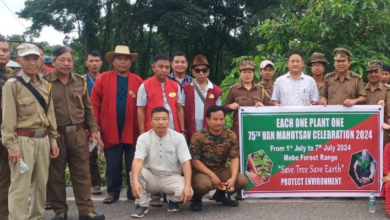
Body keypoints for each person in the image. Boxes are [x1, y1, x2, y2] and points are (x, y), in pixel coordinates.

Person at [43, 47, 105, 220]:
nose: (66, 63)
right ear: (53, 62)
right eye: (62, 60)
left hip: (78, 134)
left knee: (82, 174)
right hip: (55, 136)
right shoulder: (43, 82)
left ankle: (86, 211)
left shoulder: (80, 81)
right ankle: (60, 211)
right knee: (55, 175)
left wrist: (93, 129)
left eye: (69, 60)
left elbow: (88, 108)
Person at [2, 43, 59, 220]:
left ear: (41, 60)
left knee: (41, 185)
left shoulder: (45, 85)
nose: (32, 62)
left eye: (35, 58)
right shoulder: (12, 85)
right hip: (23, 140)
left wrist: (53, 140)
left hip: (43, 138)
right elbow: (8, 119)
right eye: (27, 58)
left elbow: (50, 114)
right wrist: (12, 146)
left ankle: (36, 217)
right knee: (20, 185)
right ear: (19, 61)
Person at [90, 45, 143, 203]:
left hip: (132, 127)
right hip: (110, 126)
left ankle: (133, 190)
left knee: (132, 160)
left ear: (130, 62)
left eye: (126, 59)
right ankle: (113, 192)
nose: (122, 62)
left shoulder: (137, 80)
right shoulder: (104, 78)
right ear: (113, 61)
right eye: (119, 58)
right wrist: (95, 124)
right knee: (113, 161)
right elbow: (94, 103)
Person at [137, 54, 186, 206]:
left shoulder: (175, 85)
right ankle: (155, 195)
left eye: (166, 67)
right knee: (152, 160)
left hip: (172, 130)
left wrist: (182, 130)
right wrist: (142, 132)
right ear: (154, 67)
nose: (164, 70)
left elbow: (179, 109)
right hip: (152, 130)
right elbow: (140, 110)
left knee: (173, 161)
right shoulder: (145, 85)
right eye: (161, 67)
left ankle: (171, 195)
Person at [130, 107, 192, 218]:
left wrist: (187, 186)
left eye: (164, 119)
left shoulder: (178, 138)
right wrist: (134, 182)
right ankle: (141, 205)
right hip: (151, 176)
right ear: (151, 121)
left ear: (169, 120)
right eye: (157, 119)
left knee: (188, 192)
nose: (161, 122)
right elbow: (138, 160)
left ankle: (172, 199)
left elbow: (186, 163)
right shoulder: (143, 138)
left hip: (171, 176)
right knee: (135, 174)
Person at [189, 105, 248, 211]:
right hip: (201, 171)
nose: (219, 122)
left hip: (220, 169)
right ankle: (196, 199)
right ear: (208, 120)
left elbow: (234, 158)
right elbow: (194, 161)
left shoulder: (230, 135)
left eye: (221, 119)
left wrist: (233, 178)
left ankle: (221, 195)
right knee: (203, 185)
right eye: (215, 119)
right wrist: (212, 175)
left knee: (242, 181)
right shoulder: (198, 136)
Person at [225, 60, 271, 138]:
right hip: (238, 129)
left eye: (250, 72)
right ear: (239, 73)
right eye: (244, 72)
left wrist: (262, 106)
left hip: (256, 128)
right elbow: (224, 109)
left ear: (253, 73)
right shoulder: (233, 89)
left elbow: (268, 110)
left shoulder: (260, 89)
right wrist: (230, 106)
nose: (247, 75)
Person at [182, 55, 222, 140]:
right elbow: (181, 109)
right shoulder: (186, 88)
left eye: (204, 70)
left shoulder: (216, 90)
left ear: (208, 72)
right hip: (190, 130)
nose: (201, 73)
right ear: (193, 72)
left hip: (210, 131)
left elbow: (219, 112)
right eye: (198, 70)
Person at [83, 50, 104, 196]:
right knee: (90, 153)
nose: (94, 64)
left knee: (111, 152)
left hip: (107, 119)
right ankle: (95, 183)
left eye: (97, 61)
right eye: (91, 61)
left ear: (101, 63)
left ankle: (112, 182)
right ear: (86, 63)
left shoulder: (107, 78)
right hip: (89, 120)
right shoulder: (81, 80)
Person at [0, 37, 15, 220]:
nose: (1, 53)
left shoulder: (12, 75)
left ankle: (4, 213)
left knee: (6, 175)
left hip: (7, 133)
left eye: (5, 50)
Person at [365, 60, 390, 146]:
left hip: (382, 133)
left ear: (381, 72)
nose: (373, 74)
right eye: (370, 72)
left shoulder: (387, 91)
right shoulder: (361, 90)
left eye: (376, 71)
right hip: (363, 133)